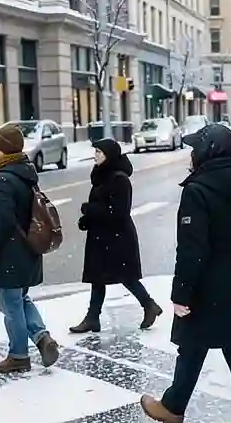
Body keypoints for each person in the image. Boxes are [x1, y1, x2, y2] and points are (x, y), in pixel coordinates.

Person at [140, 122, 231, 423]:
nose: (192, 154)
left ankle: (173, 407)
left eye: (196, 148)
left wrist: (182, 293)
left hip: (207, 286)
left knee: (192, 346)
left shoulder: (199, 190)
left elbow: (193, 248)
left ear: (209, 151)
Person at [0, 123, 60, 373]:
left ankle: (18, 355)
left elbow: (0, 222)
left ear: (4, 149)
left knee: (10, 305)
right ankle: (42, 337)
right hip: (26, 250)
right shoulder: (23, 174)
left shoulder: (1, 180)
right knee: (19, 299)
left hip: (8, 253)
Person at [70, 137, 163, 333]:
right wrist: (87, 220)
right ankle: (92, 318)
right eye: (95, 151)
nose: (95, 155)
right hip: (101, 236)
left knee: (126, 277)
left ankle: (149, 305)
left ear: (109, 156)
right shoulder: (101, 175)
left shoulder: (119, 179)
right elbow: (102, 206)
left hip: (117, 238)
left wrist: (90, 210)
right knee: (98, 278)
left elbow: (119, 212)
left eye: (99, 152)